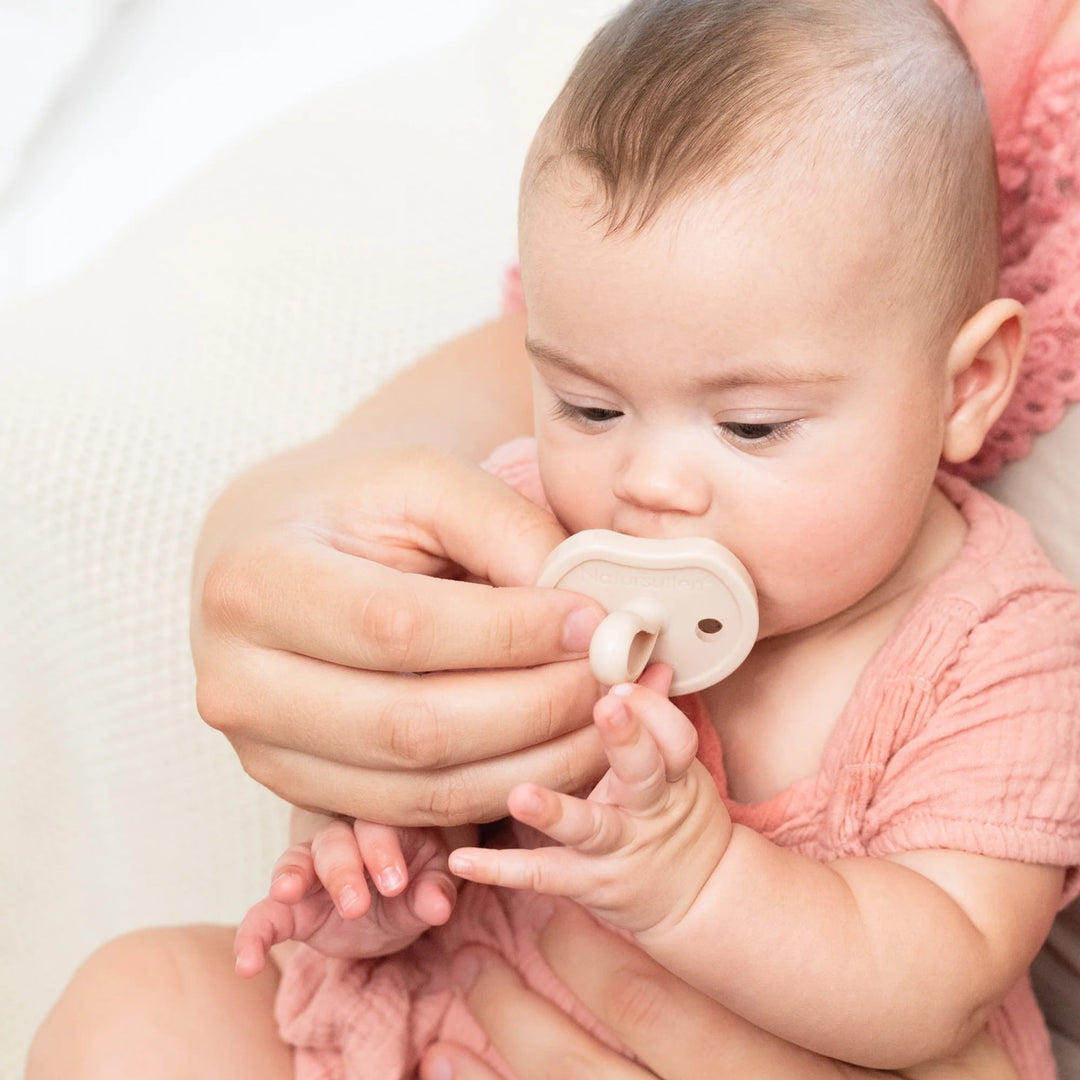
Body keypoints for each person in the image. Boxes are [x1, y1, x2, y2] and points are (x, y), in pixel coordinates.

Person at [26, 1, 1080, 1079]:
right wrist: (370, 860)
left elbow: (938, 980)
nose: (649, 483)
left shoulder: (997, 644)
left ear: (966, 388)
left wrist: (699, 879)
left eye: (751, 426)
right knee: (139, 1003)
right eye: (589, 406)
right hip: (444, 1029)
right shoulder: (532, 529)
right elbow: (413, 740)